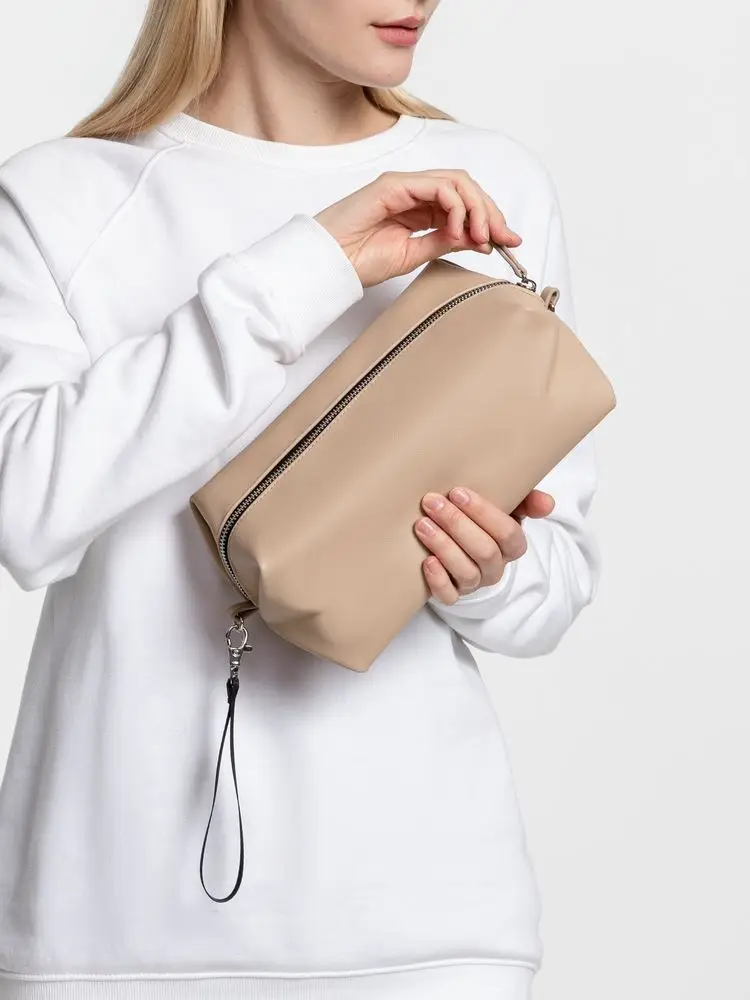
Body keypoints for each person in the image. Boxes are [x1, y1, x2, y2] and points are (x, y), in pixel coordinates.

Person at [0, 0, 602, 997]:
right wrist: (308, 267)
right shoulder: (62, 198)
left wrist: (487, 574)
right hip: (108, 928)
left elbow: (555, 584)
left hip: (427, 925)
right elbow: (26, 516)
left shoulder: (487, 184)